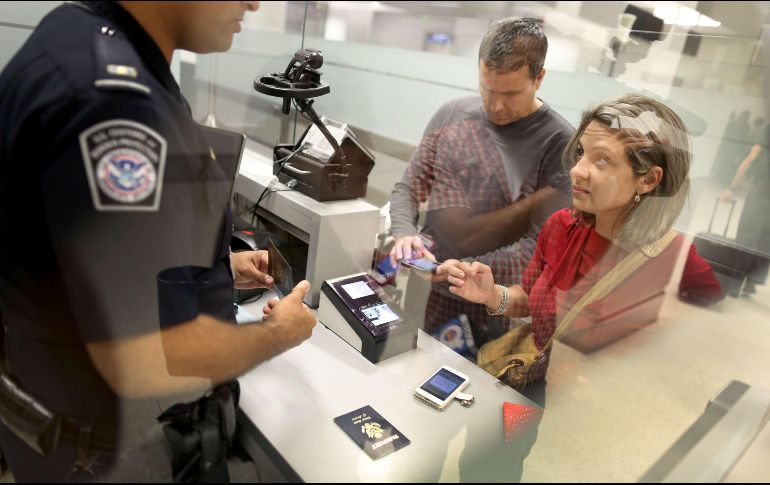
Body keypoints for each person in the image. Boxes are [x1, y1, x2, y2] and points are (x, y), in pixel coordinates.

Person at [0, 1, 316, 481]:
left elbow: (85, 264)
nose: (254, 3)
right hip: (112, 454)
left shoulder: (85, 40)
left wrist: (219, 271)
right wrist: (279, 333)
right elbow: (144, 355)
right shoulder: (112, 103)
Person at [438, 94, 723, 402]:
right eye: (581, 153)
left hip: (596, 412)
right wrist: (492, 295)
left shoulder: (676, 261)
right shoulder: (562, 226)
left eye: (602, 160)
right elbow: (532, 299)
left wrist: (608, 377)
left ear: (648, 180)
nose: (577, 170)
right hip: (534, 388)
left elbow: (701, 360)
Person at [388, 18, 574, 347]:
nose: (496, 105)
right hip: (423, 281)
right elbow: (408, 188)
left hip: (488, 299)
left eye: (511, 93)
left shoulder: (560, 142)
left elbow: (538, 245)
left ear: (539, 78)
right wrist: (405, 232)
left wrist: (466, 270)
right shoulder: (452, 114)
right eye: (487, 89)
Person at [720, 119, 770, 296]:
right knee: (766, 240)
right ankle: (751, 282)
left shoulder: (767, 128)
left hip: (762, 191)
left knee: (747, 237)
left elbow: (751, 158)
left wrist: (732, 188)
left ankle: (734, 283)